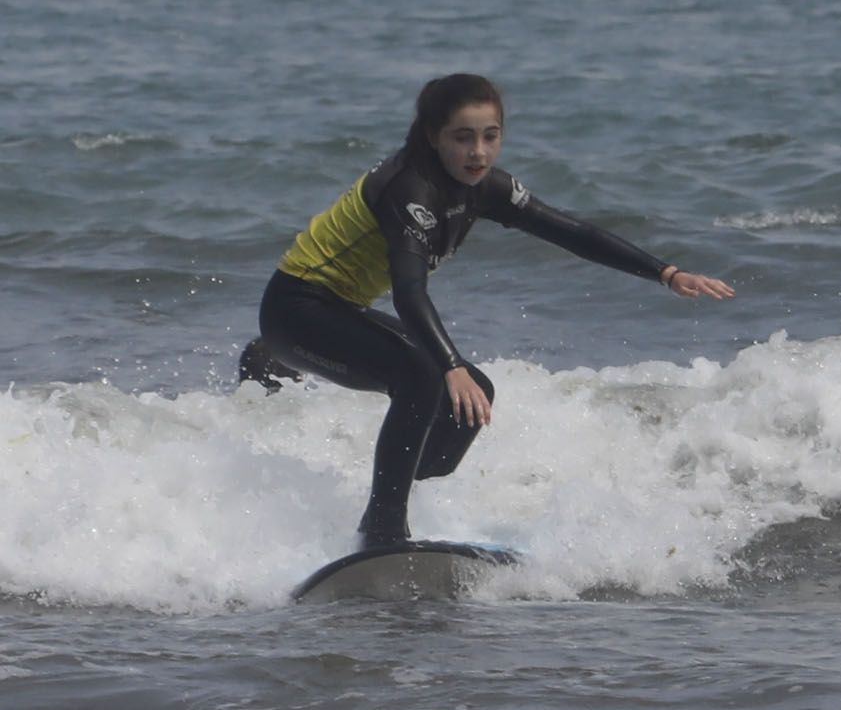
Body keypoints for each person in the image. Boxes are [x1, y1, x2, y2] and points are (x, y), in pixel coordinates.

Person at [239, 73, 735, 549]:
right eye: (462, 138)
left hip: (341, 310)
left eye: (490, 136)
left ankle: (372, 490)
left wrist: (666, 273)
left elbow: (570, 231)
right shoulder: (410, 190)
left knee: (471, 402)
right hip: (296, 308)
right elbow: (410, 294)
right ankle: (381, 531)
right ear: (434, 137)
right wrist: (450, 366)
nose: (478, 152)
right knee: (423, 378)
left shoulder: (484, 186)